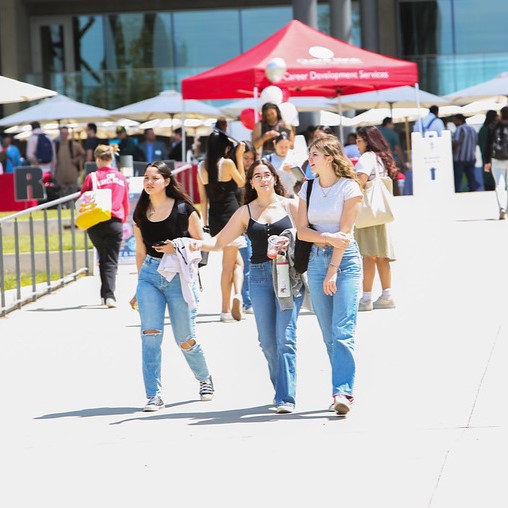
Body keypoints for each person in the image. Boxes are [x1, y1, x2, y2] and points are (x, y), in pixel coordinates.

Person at [193, 159, 303, 413]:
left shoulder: (291, 205)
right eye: (257, 176)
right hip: (260, 276)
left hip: (288, 275)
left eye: (267, 175)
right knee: (267, 341)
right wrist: (194, 242)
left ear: (275, 178)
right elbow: (219, 241)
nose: (263, 179)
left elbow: (307, 235)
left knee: (285, 338)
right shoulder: (245, 212)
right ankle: (280, 388)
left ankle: (285, 397)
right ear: (251, 182)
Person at [129, 160, 214, 412]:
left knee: (185, 339)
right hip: (149, 277)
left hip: (178, 277)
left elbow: (202, 243)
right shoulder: (140, 212)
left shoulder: (184, 209)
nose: (149, 182)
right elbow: (140, 252)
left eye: (154, 178)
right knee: (150, 336)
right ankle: (153, 395)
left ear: (166, 181)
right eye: (146, 178)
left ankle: (204, 378)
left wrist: (176, 245)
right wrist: (138, 287)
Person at [296, 135, 363, 415]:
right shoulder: (306, 188)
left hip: (345, 263)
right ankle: (340, 387)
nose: (310, 159)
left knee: (342, 332)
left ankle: (343, 392)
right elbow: (302, 230)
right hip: (315, 260)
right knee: (328, 335)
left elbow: (345, 236)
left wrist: (333, 270)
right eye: (310, 154)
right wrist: (325, 237)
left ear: (330, 158)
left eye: (315, 155)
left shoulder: (350, 188)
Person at [197, 131, 246, 322]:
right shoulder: (227, 163)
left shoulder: (201, 166)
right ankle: (227, 307)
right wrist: (240, 158)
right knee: (229, 266)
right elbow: (242, 182)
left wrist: (206, 224)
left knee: (237, 263)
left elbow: (202, 199)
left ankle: (237, 294)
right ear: (224, 148)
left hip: (215, 219)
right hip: (232, 216)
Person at [79, 145, 129, 307]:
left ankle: (105, 294)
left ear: (98, 159)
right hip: (115, 221)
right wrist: (123, 219)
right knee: (111, 259)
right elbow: (125, 202)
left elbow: (83, 198)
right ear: (112, 158)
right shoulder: (121, 178)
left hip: (95, 221)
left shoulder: (92, 177)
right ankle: (109, 295)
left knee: (103, 256)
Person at [354, 126, 398, 312]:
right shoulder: (382, 158)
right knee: (381, 254)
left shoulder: (366, 157)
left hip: (367, 212)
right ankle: (387, 295)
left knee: (368, 255)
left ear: (367, 141)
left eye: (359, 141)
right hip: (381, 212)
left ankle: (366, 298)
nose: (356, 145)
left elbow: (361, 181)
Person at [238, 141, 258, 314]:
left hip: (257, 224)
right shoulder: (236, 176)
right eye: (245, 158)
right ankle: (247, 300)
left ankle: (251, 299)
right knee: (246, 263)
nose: (248, 162)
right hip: (241, 225)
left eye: (251, 158)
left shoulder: (258, 176)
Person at [484, 106, 508, 220]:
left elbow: (488, 145)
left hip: (496, 158)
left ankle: (502, 208)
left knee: (499, 185)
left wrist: (487, 161)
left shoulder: (493, 126)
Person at [265, 132, 301, 197]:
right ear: (275, 144)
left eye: (286, 147)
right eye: (281, 147)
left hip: (291, 195)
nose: (283, 150)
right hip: (274, 195)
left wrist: (292, 170)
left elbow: (301, 178)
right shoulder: (267, 159)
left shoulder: (294, 158)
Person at [54, 126, 84, 197]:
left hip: (72, 174)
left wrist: (76, 159)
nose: (64, 135)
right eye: (62, 133)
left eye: (65, 133)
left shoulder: (73, 145)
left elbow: (82, 154)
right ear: (60, 134)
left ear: (68, 134)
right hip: (60, 174)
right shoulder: (56, 145)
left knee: (73, 195)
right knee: (62, 195)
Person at [379, 117, 406, 195]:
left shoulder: (378, 133)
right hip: (391, 160)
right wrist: (403, 162)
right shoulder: (393, 134)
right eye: (392, 124)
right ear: (388, 123)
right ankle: (395, 196)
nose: (393, 126)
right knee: (394, 181)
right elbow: (397, 149)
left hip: (379, 160)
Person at [452, 114, 479, 192]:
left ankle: (457, 194)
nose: (454, 122)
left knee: (458, 180)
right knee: (471, 179)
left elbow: (456, 142)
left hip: (460, 158)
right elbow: (477, 142)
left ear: (459, 120)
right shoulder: (472, 129)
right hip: (471, 157)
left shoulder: (459, 129)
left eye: (455, 120)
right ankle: (473, 193)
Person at [478, 110, 498, 192]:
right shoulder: (492, 128)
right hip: (493, 157)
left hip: (485, 157)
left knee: (487, 176)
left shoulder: (482, 129)